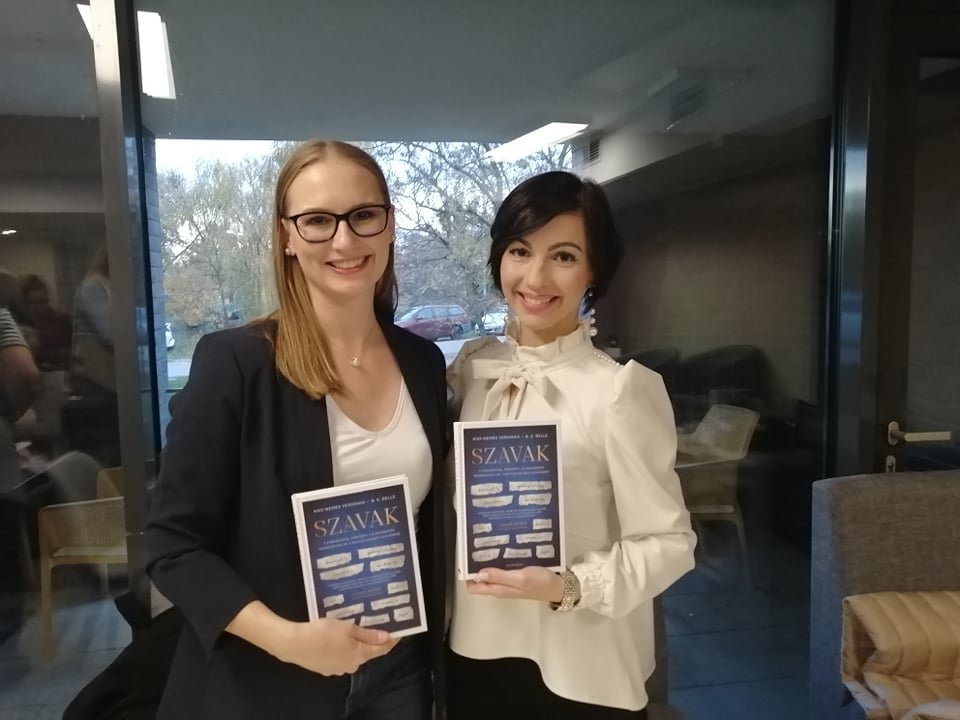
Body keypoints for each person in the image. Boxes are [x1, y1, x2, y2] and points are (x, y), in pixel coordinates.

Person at [145, 140, 448, 719]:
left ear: (389, 224)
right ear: (286, 236)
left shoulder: (422, 362)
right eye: (317, 221)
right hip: (269, 680)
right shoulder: (237, 363)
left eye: (363, 215)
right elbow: (173, 545)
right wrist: (286, 639)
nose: (344, 241)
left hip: (399, 671)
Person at [446, 171, 697, 719]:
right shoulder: (473, 371)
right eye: (520, 251)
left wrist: (567, 585)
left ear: (593, 270)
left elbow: (670, 542)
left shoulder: (620, 391)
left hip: (581, 666)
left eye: (563, 256)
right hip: (474, 652)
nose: (535, 277)